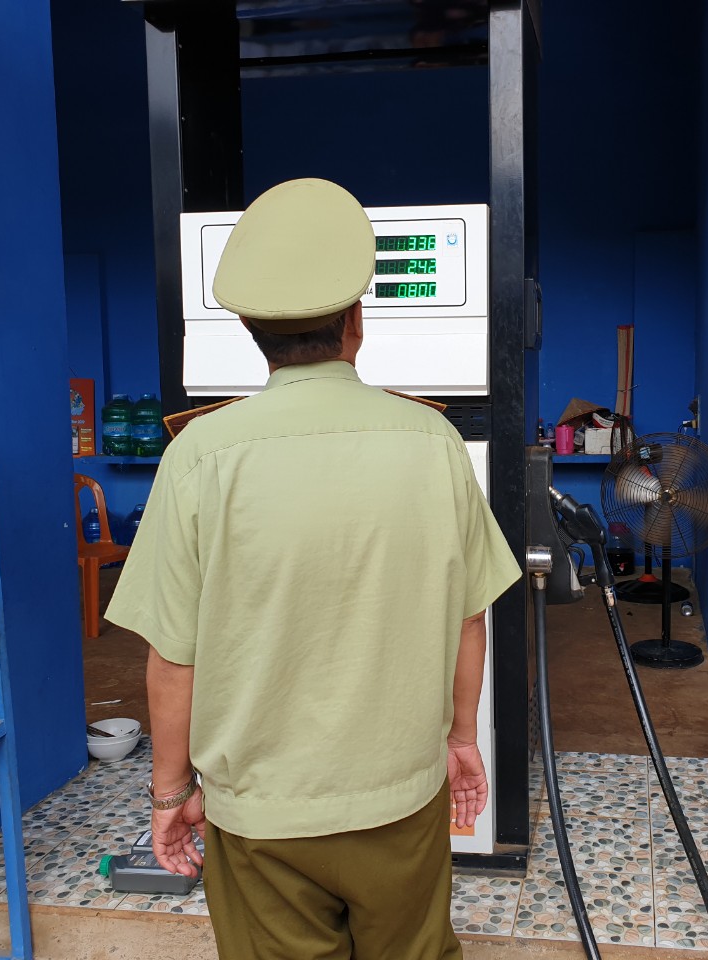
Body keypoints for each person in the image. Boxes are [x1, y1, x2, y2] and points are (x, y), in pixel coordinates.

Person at [105, 177, 521, 960]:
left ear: (249, 330)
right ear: (356, 321)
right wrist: (461, 736)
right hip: (400, 800)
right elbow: (470, 618)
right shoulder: (433, 442)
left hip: (260, 820)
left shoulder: (200, 455)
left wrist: (170, 793)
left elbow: (172, 660)